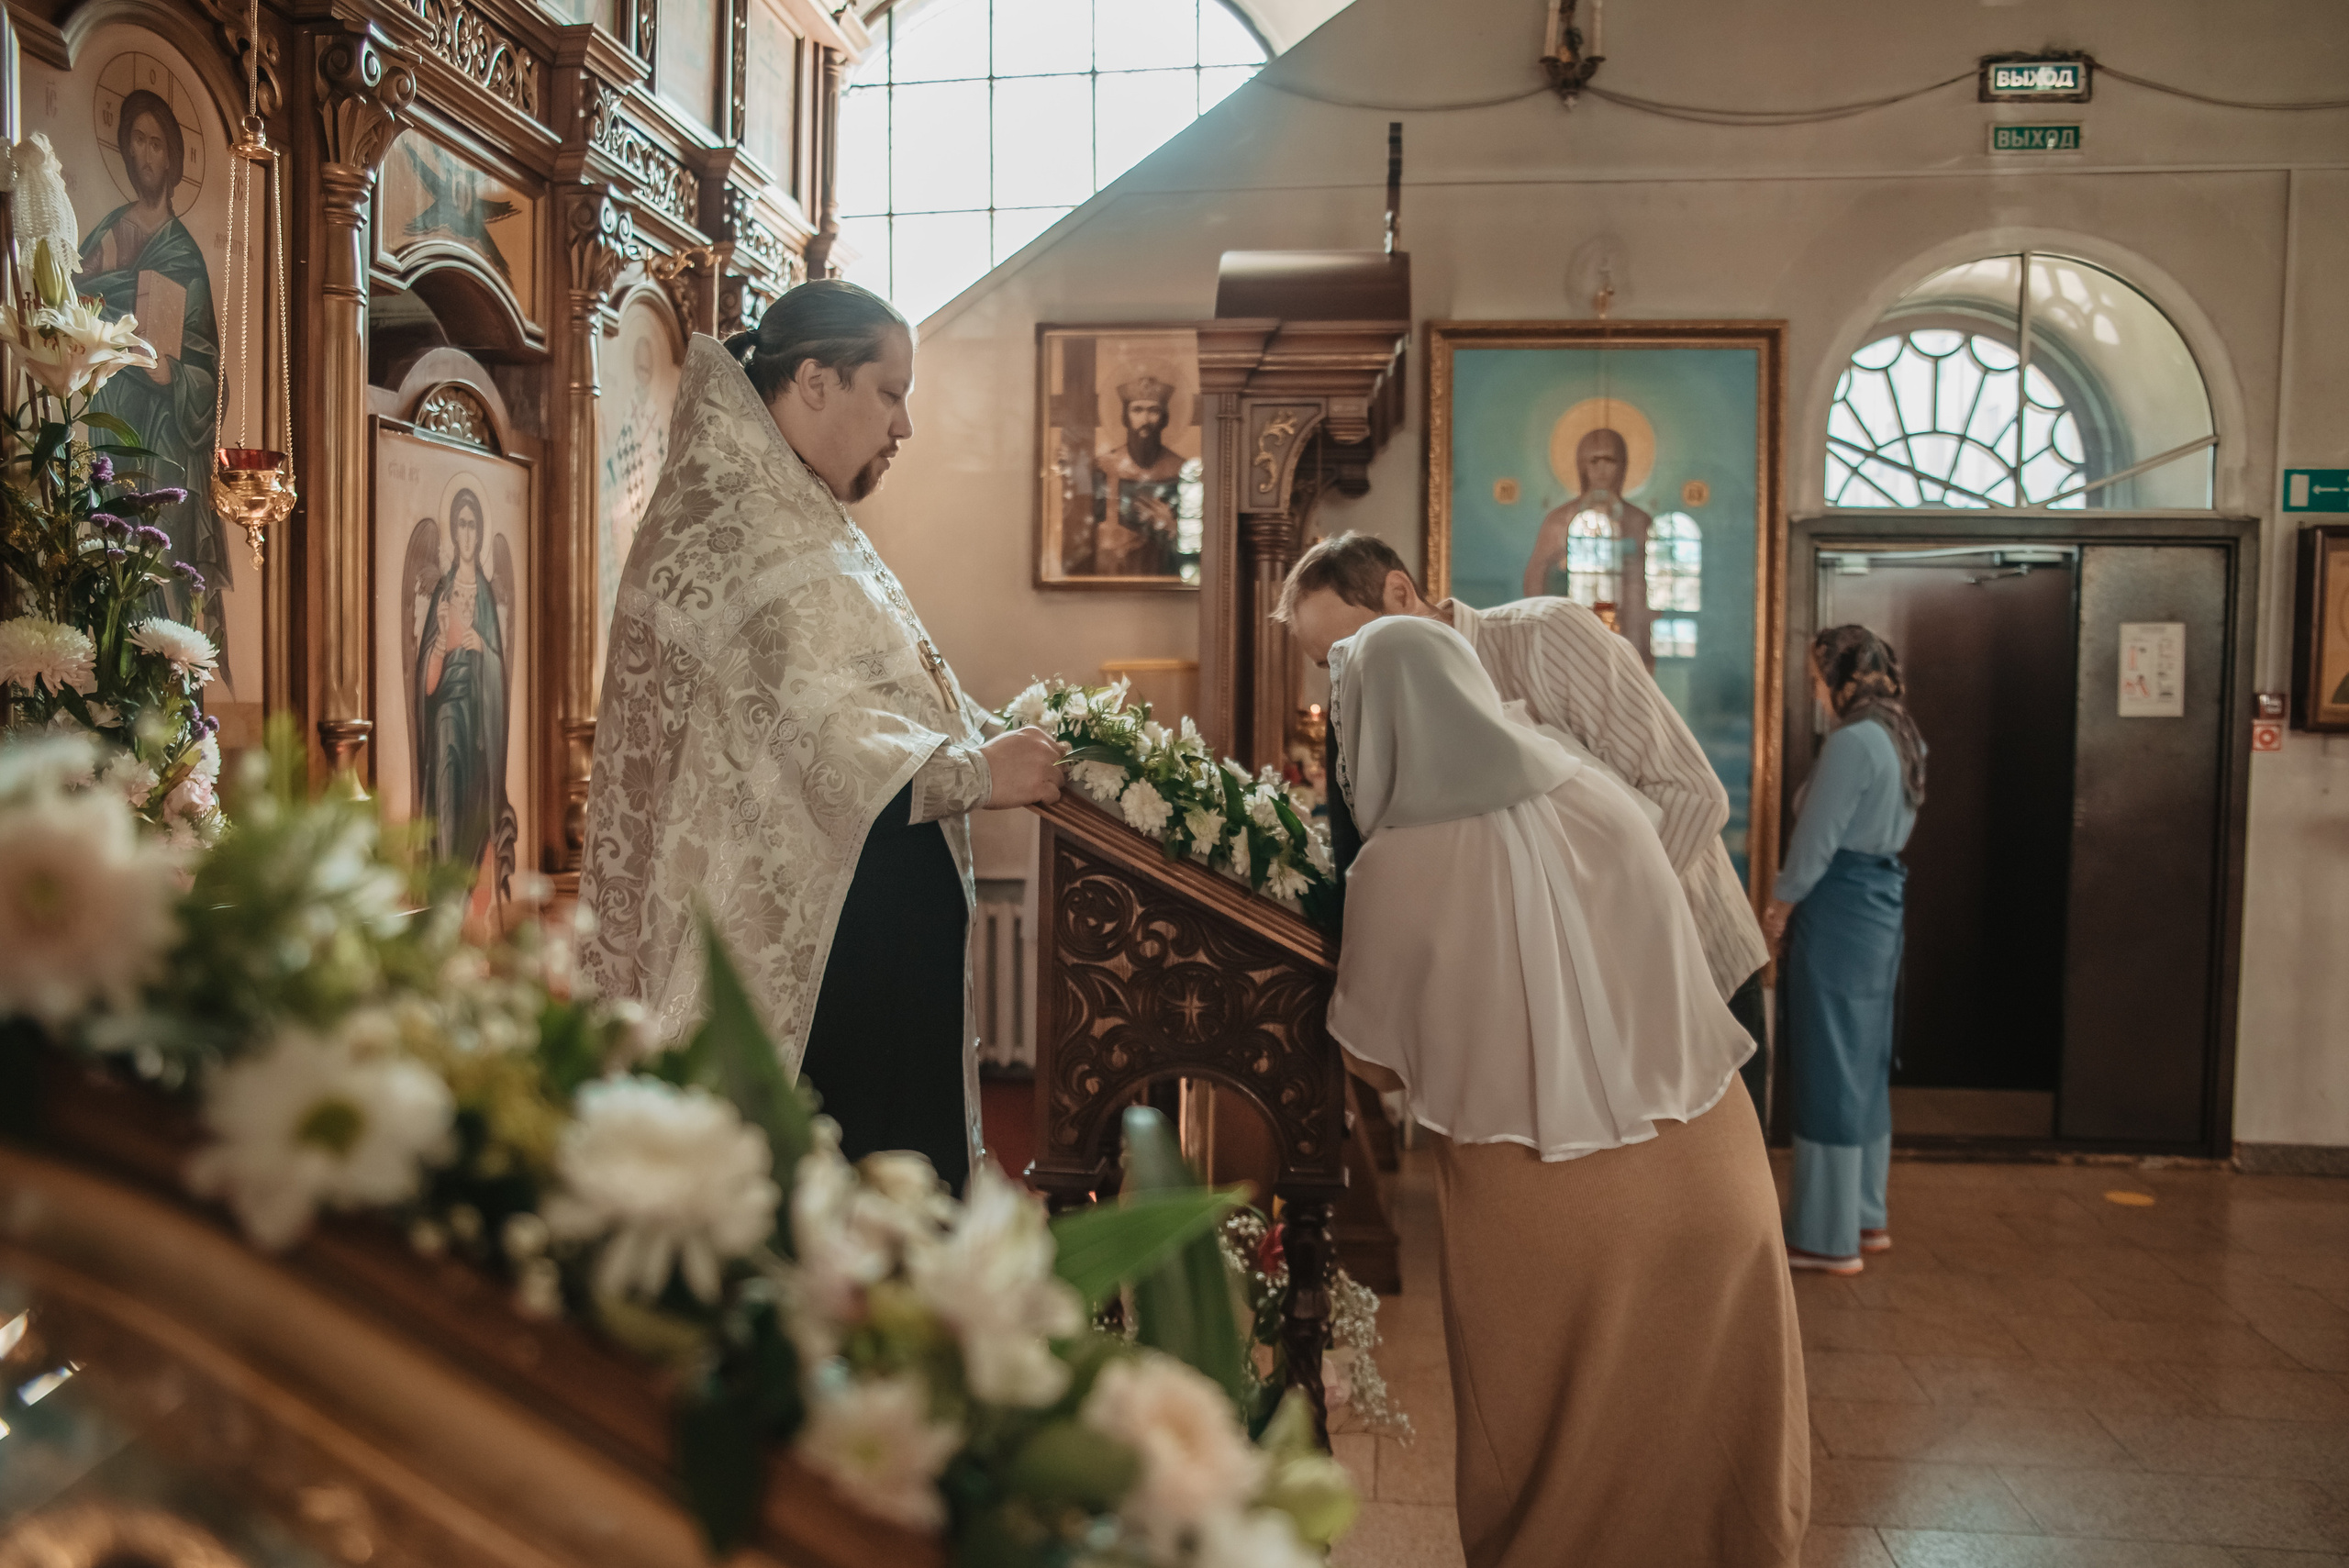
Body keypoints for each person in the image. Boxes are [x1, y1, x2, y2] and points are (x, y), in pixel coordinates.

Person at [1325, 615, 1808, 1568]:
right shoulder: (1594, 788)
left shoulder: (1394, 866)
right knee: (1708, 1444)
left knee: (1556, 1456)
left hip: (1544, 1192)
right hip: (1710, 1157)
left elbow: (1374, 1060)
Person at [576, 281, 1064, 1196]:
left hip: (864, 945)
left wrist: (988, 728)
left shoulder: (793, 506)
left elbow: (879, 690)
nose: (904, 424)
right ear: (813, 380)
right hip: (816, 971)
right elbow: (808, 747)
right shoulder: (728, 524)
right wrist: (977, 771)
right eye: (889, 390)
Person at [1278, 531, 1776, 1117]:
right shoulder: (1393, 713)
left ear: (1399, 591)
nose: (1345, 682)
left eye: (1350, 650)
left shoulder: (1547, 637)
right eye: (1328, 666)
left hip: (1693, 967)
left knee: (1713, 1197)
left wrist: (1586, 932)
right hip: (1572, 1008)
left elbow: (1691, 794)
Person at [1764, 625, 1925, 1275]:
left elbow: (1815, 841)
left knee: (1829, 1059)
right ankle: (1865, 1214)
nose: (1813, 690)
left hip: (1838, 908)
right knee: (1864, 1057)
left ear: (1841, 676)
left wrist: (1777, 909)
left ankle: (1825, 1237)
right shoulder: (1902, 734)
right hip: (1880, 908)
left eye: (1815, 678)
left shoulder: (1853, 742)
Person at [81, 89, 224, 656]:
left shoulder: (186, 257)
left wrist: (175, 379)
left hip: (165, 441)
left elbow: (211, 370)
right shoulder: (106, 236)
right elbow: (70, 307)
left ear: (172, 160)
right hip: (111, 420)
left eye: (156, 143)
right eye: (136, 140)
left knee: (157, 570)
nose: (145, 153)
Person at [414, 489, 512, 921]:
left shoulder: (486, 597)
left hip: (480, 730)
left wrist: (482, 648)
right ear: (453, 532)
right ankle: (446, 905)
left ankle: (472, 914)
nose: (468, 533)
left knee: (475, 812)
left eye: (473, 524)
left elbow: (499, 674)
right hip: (448, 720)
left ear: (480, 531)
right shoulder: (443, 590)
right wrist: (441, 645)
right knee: (448, 811)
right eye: (461, 524)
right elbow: (427, 684)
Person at [1520, 427, 1653, 660]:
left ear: (1622, 465)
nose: (1601, 469)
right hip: (1571, 631)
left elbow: (1652, 581)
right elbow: (1536, 574)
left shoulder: (1639, 521)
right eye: (1594, 461)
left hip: (1625, 631)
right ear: (1582, 465)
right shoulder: (1560, 519)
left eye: (1609, 460)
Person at [1088, 373, 1195, 577]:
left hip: (1166, 572)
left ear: (1164, 418)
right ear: (1125, 417)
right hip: (1114, 574)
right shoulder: (1104, 468)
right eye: (1137, 410)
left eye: (1153, 411)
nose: (1145, 420)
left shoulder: (1183, 470)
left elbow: (1197, 539)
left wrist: (1172, 527)